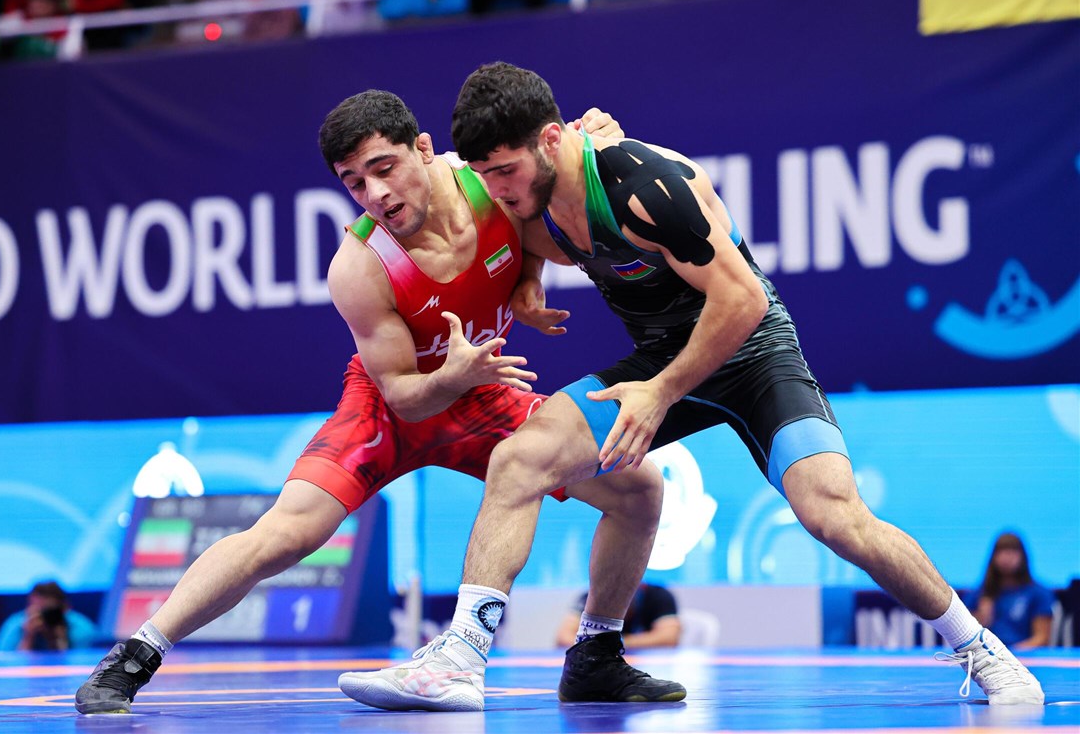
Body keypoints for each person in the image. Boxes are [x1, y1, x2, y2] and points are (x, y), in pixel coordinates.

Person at [339, 62, 1046, 708]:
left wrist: (660, 392)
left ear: (551, 140)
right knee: (519, 458)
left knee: (834, 514)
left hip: (752, 353)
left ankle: (982, 649)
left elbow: (742, 301)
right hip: (662, 356)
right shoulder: (530, 192)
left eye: (506, 173)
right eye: (486, 176)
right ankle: (493, 657)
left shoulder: (645, 183)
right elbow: (519, 236)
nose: (497, 193)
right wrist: (527, 281)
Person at [75, 91, 683, 714]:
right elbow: (405, 397)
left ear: (424, 149)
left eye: (384, 168)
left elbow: (549, 214)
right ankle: (133, 657)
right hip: (391, 406)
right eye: (354, 183)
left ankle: (596, 656)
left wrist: (593, 155)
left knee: (639, 488)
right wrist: (454, 374)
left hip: (478, 390)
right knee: (287, 532)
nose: (375, 194)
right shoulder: (359, 267)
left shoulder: (489, 182)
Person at [965, 532, 1055, 651]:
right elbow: (963, 634)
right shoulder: (980, 593)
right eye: (1001, 552)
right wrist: (982, 618)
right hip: (986, 656)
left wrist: (1009, 654)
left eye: (1012, 552)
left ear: (1023, 556)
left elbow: (1042, 638)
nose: (1006, 558)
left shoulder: (1039, 593)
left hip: (1023, 657)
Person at [555, 583, 680, 649]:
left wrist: (607, 646)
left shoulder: (658, 595)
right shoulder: (589, 597)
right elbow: (563, 638)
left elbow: (669, 638)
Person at [0, 580, 97, 652]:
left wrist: (59, 637)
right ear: (29, 607)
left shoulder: (82, 628)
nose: (46, 617)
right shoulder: (15, 626)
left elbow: (83, 666)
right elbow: (6, 664)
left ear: (65, 608)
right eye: (41, 611)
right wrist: (28, 636)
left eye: (51, 612)